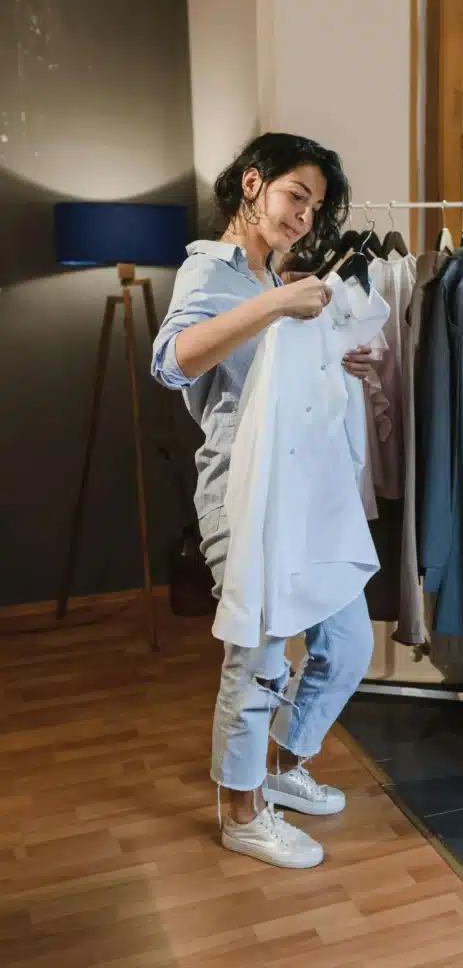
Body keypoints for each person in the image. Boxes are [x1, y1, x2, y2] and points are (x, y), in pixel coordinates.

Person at [151, 133, 376, 870]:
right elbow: (172, 361)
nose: (305, 217)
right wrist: (280, 303)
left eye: (315, 207)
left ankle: (279, 765)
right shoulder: (209, 271)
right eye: (295, 197)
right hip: (240, 496)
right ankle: (243, 813)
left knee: (347, 644)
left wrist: (338, 362)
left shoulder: (272, 275)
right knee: (258, 654)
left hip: (304, 491)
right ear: (252, 185)